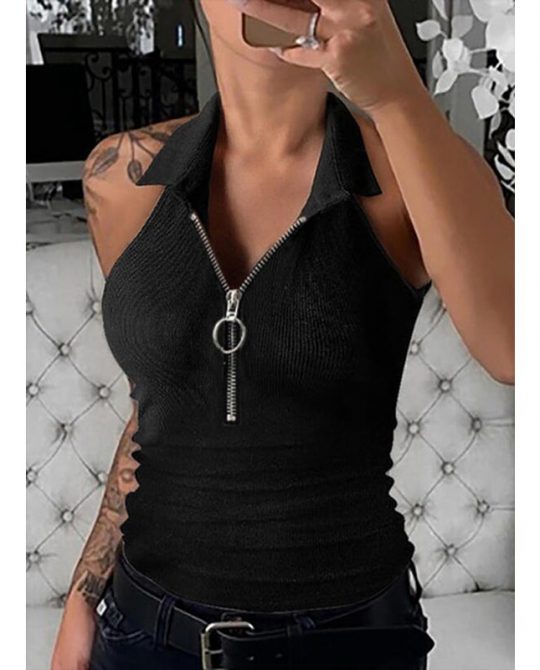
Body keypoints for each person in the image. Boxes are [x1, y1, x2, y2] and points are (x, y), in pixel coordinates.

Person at [51, 1, 514, 669]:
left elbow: (512, 348)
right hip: (144, 630)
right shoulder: (124, 177)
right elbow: (160, 407)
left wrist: (395, 92)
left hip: (350, 639)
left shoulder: (406, 170)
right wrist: (83, 597)